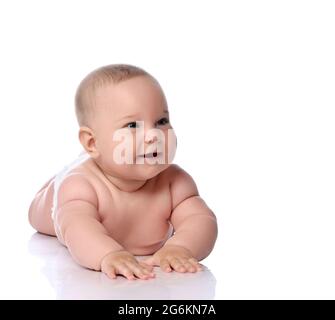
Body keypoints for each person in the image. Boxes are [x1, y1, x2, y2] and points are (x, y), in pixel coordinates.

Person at [28, 64, 218, 280]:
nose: (153, 135)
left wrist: (181, 247)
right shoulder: (81, 186)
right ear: (92, 142)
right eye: (131, 126)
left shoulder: (175, 182)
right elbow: (77, 228)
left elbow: (201, 219)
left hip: (102, 159)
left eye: (161, 121)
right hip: (55, 203)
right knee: (57, 208)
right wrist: (108, 254)